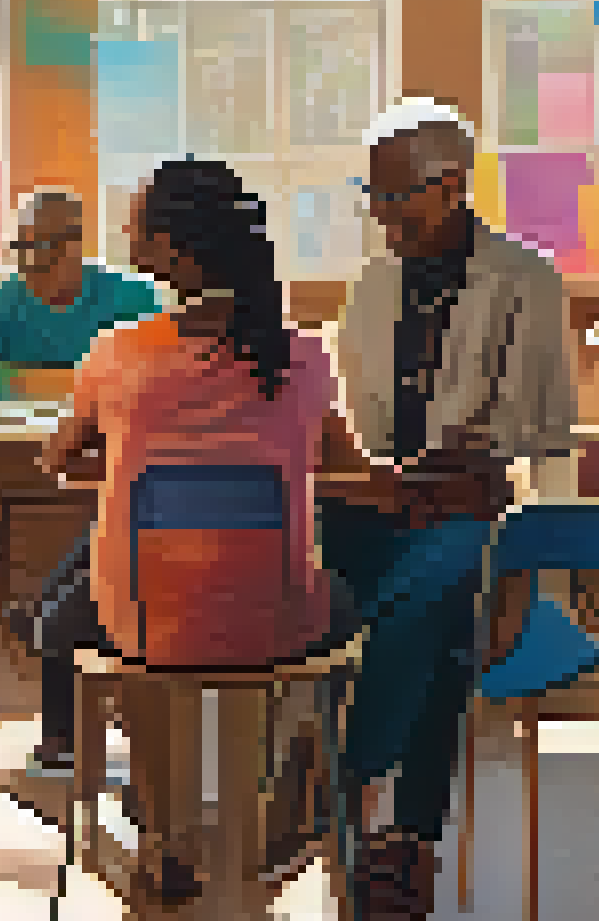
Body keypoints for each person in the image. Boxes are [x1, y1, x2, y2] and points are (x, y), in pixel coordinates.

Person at [28, 159, 361, 905]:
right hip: (277, 624)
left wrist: (125, 470)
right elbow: (346, 464)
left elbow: (56, 460)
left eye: (138, 224)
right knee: (335, 604)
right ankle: (283, 801)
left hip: (146, 623)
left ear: (175, 254)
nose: (124, 234)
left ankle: (161, 831)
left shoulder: (117, 355)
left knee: (111, 611)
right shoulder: (303, 357)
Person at [325, 97, 573, 918]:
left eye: (398, 198)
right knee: (418, 610)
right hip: (381, 502)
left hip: (473, 507)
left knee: (444, 596)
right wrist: (383, 476)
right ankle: (401, 837)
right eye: (375, 197)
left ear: (453, 186)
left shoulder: (525, 279)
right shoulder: (373, 281)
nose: (384, 216)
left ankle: (353, 801)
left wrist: (473, 464)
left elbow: (545, 431)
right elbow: (347, 416)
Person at [0, 189, 160, 399]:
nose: (31, 260)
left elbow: (151, 380)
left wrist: (28, 383)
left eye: (44, 245)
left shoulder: (132, 300)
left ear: (77, 245)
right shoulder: (5, 302)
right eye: (23, 246)